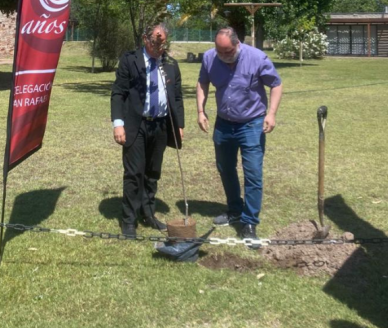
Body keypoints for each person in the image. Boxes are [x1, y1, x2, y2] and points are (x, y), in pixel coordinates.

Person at [196, 26, 283, 247]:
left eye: (227, 51)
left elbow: (276, 84)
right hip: (223, 124)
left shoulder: (256, 57)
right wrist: (200, 110)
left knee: (253, 173)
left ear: (237, 44)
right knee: (225, 168)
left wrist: (271, 114)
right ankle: (234, 210)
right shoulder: (209, 58)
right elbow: (203, 82)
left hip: (252, 124)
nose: (223, 56)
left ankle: (249, 222)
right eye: (219, 51)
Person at [110, 23, 185, 237]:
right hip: (136, 124)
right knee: (134, 173)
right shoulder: (130, 59)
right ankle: (129, 221)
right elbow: (118, 93)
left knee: (153, 173)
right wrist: (118, 123)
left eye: (162, 43)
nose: (158, 47)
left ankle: (149, 213)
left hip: (161, 125)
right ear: (145, 39)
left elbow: (177, 97)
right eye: (155, 42)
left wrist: (179, 125)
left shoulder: (170, 64)